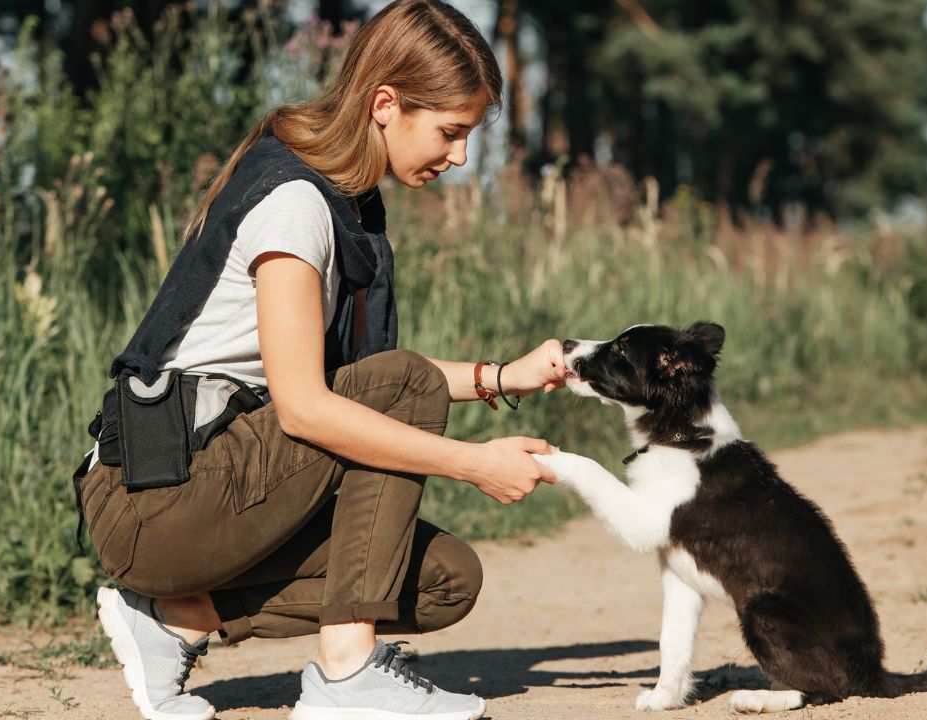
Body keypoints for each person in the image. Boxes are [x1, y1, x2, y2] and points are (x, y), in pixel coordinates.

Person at [72, 2, 566, 719]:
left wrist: (501, 377)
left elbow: (360, 388)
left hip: (217, 483)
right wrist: (473, 462)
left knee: (445, 579)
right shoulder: (297, 203)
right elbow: (308, 405)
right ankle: (347, 673)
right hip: (153, 497)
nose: (460, 157)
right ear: (387, 104)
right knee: (400, 383)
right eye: (451, 132)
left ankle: (177, 617)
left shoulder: (344, 204)